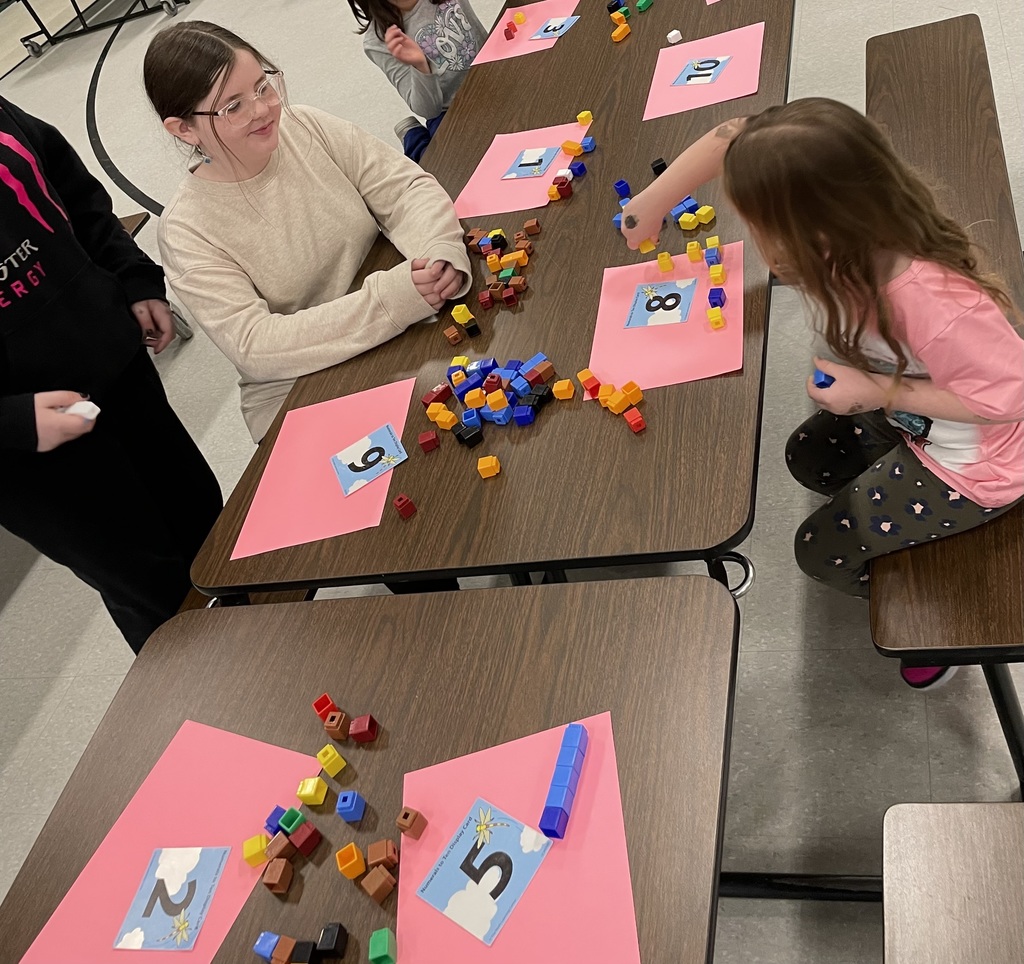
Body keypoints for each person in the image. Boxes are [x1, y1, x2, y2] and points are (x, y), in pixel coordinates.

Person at [622, 98, 1024, 690]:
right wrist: (648, 206)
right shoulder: (849, 237)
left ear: (815, 236)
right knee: (807, 456)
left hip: (979, 465)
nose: (757, 243)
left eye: (759, 228)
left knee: (817, 550)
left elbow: (1008, 399)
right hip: (911, 420)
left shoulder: (934, 303)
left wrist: (878, 391)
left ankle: (928, 616)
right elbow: (729, 137)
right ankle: (899, 507)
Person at [145, 21, 471, 593]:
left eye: (264, 85)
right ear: (184, 129)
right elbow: (258, 346)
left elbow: (405, 188)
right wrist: (395, 296)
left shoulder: (306, 125)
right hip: (298, 384)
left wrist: (437, 251)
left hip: (394, 320)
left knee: (474, 437)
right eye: (232, 106)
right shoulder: (188, 230)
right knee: (408, 532)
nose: (264, 109)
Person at [0, 96, 222, 653]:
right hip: (33, 454)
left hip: (113, 366)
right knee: (152, 587)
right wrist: (10, 423)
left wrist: (132, 277)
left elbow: (72, 193)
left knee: (205, 521)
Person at [346, 0, 486, 160]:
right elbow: (428, 110)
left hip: (492, 76)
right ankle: (413, 138)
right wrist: (420, 66)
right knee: (450, 168)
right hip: (449, 112)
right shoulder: (378, 41)